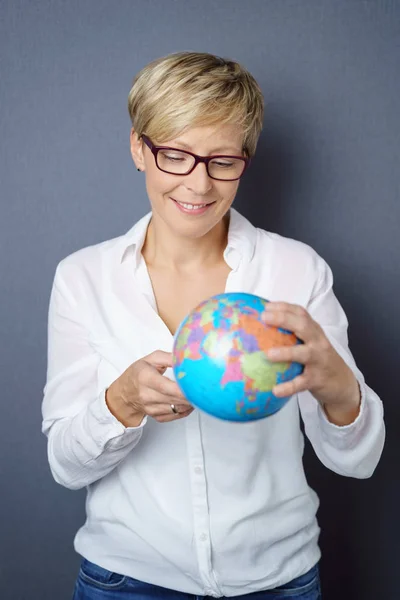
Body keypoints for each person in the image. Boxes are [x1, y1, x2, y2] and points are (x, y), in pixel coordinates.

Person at [42, 52, 385, 600]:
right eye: (176, 155)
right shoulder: (84, 277)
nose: (199, 185)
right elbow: (65, 465)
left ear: (245, 159)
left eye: (223, 160)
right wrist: (122, 402)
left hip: (278, 583)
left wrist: (338, 386)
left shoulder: (295, 270)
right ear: (139, 148)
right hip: (126, 582)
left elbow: (360, 461)